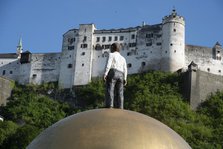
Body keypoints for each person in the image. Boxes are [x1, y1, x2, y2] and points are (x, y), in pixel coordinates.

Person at [104, 43, 127, 109]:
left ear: (113, 48)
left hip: (113, 72)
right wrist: (125, 78)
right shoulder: (123, 58)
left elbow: (108, 64)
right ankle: (120, 106)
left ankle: (110, 105)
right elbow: (125, 69)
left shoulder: (111, 54)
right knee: (120, 92)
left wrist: (105, 73)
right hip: (121, 74)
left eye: (111, 47)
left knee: (110, 89)